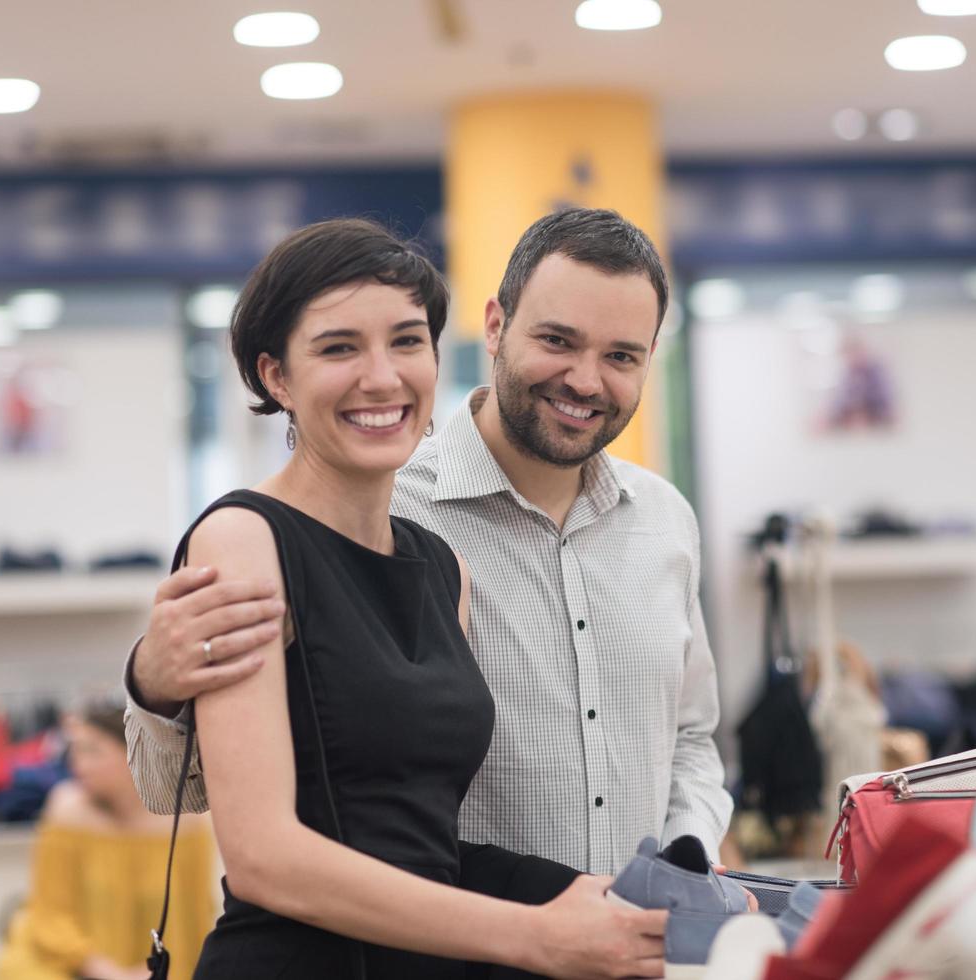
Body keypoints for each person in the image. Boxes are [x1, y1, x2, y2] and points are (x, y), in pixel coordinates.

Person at [125, 208, 733, 879]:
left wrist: (688, 862)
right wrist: (156, 685)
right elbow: (176, 793)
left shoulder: (665, 522)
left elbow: (689, 740)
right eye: (558, 341)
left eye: (620, 356)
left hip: (632, 948)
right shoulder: (376, 520)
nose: (586, 381)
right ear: (495, 327)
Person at [0, 700, 216, 980]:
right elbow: (49, 916)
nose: (79, 765)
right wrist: (112, 975)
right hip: (70, 967)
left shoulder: (187, 822)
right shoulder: (66, 809)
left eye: (93, 751)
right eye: (75, 752)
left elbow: (193, 922)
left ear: (132, 754)